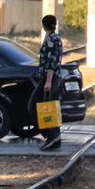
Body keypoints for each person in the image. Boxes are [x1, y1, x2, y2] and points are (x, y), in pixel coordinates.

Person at [36, 13, 63, 152]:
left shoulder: (53, 39)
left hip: (50, 78)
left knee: (36, 105)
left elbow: (52, 62)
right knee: (52, 107)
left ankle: (52, 135)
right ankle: (55, 138)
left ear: (43, 25)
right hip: (50, 77)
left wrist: (48, 81)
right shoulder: (52, 38)